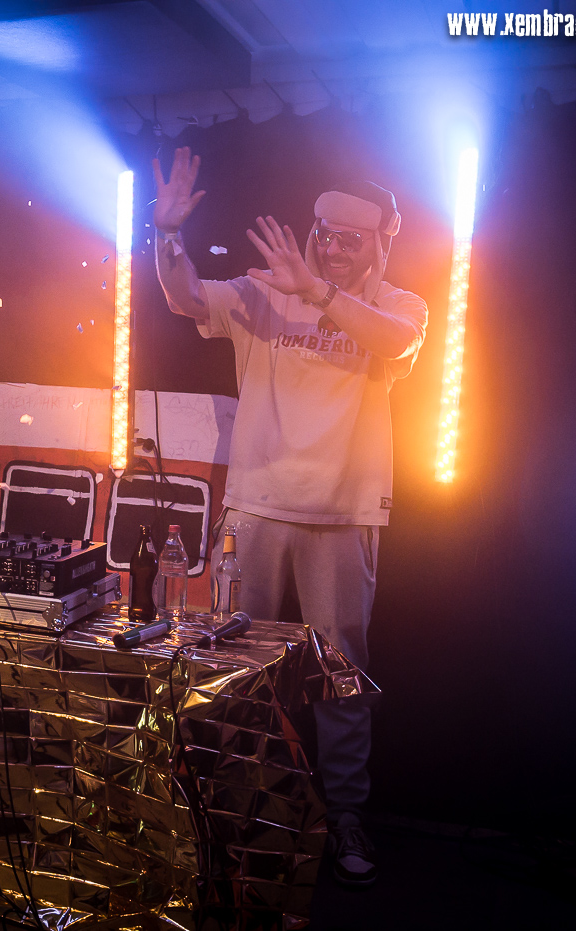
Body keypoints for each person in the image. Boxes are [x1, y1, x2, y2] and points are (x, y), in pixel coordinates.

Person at [152, 148, 428, 888]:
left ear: (380, 242)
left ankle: (344, 813)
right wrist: (167, 234)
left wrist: (321, 293)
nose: (333, 248)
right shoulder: (263, 291)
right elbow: (185, 297)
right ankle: (228, 806)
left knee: (341, 676)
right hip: (255, 505)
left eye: (350, 239)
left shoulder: (400, 306)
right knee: (231, 666)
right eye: (325, 233)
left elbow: (397, 343)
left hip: (344, 511)